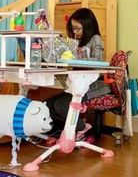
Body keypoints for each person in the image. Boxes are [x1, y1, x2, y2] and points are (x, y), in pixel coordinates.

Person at [45, 8, 106, 139]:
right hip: (77, 84)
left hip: (92, 84)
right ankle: (68, 129)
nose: (75, 32)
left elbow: (98, 61)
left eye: (78, 28)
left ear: (88, 26)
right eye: (73, 28)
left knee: (61, 105)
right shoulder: (75, 42)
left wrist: (75, 59)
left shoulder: (95, 39)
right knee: (47, 105)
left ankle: (82, 128)